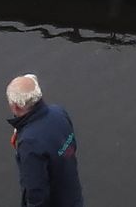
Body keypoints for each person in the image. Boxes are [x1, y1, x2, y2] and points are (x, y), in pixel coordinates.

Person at [4, 74, 82, 207]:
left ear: (15, 106)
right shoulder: (59, 113)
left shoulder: (30, 142)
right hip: (73, 197)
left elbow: (36, 193)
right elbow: (71, 148)